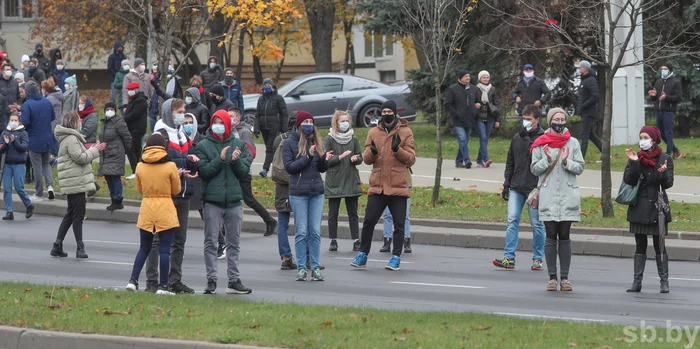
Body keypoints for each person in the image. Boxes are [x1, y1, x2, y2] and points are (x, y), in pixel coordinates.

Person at [351, 101, 415, 271]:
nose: (386, 114)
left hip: (398, 184)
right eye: (384, 111)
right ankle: (363, 254)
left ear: (395, 113)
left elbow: (411, 159)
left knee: (399, 224)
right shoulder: (373, 132)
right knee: (369, 221)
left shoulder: (405, 132)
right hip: (378, 185)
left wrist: (397, 150)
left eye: (389, 111)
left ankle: (395, 257)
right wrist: (371, 152)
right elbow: (366, 159)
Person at [145, 98, 200, 295]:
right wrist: (183, 161)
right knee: (158, 240)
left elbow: (187, 157)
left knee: (179, 240)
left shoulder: (181, 134)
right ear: (169, 112)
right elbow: (157, 160)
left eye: (184, 111)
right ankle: (153, 281)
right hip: (166, 194)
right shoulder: (160, 134)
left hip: (183, 192)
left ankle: (174, 280)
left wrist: (192, 161)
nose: (182, 116)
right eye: (179, 112)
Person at [195, 109, 252, 295]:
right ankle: (211, 279)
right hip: (213, 201)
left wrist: (235, 161)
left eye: (221, 122)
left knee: (234, 243)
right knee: (211, 242)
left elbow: (244, 172)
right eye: (215, 122)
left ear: (228, 124)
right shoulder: (203, 145)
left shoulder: (238, 144)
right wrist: (220, 160)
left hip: (234, 201)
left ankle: (234, 280)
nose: (217, 125)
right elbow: (204, 172)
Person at [530, 107, 584, 292]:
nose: (560, 123)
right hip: (549, 194)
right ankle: (552, 278)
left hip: (568, 195)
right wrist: (546, 159)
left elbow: (580, 167)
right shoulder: (540, 143)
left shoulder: (573, 143)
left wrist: (566, 162)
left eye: (562, 120)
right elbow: (534, 170)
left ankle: (566, 279)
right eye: (557, 119)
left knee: (565, 236)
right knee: (551, 235)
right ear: (550, 120)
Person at [125, 133, 180, 295]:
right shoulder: (170, 165)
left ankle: (133, 281)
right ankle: (163, 286)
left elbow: (140, 189)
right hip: (165, 209)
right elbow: (176, 189)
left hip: (147, 209)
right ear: (163, 146)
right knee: (164, 249)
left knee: (144, 248)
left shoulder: (140, 166)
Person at [492, 104, 546, 270]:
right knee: (512, 220)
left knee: (536, 224)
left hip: (533, 188)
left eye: (529, 119)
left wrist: (528, 139)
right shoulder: (517, 138)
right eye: (524, 118)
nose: (526, 122)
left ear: (537, 119)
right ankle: (509, 257)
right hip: (516, 186)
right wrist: (506, 184)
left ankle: (538, 259)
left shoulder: (543, 138)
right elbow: (510, 162)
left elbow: (543, 163)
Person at [623, 126, 673, 294]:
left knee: (660, 246)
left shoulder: (665, 158)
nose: (642, 140)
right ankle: (637, 282)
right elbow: (629, 180)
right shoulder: (636, 157)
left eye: (645, 137)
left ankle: (664, 282)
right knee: (640, 246)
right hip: (639, 207)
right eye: (641, 137)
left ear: (653, 140)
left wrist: (662, 174)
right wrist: (634, 162)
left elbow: (668, 184)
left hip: (657, 208)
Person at [50, 112, 106, 258]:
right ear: (74, 123)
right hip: (75, 182)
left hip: (73, 180)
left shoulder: (68, 138)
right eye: (79, 121)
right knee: (78, 216)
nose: (81, 123)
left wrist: (91, 150)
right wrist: (95, 150)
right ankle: (80, 248)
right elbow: (80, 158)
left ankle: (57, 245)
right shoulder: (72, 139)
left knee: (70, 214)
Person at [282, 111, 328, 281]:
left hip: (316, 192)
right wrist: (308, 156)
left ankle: (315, 268)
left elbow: (321, 168)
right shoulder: (289, 143)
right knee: (301, 231)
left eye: (311, 121)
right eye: (305, 121)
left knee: (315, 232)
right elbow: (290, 167)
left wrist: (325, 159)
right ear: (299, 124)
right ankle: (301, 268)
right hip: (299, 193)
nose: (309, 124)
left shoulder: (317, 141)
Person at [323, 110, 362, 252]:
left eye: (347, 121)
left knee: (353, 213)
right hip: (335, 181)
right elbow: (325, 161)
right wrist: (340, 157)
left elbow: (360, 157)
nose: (345, 123)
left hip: (351, 180)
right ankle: (333, 240)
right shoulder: (329, 139)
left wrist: (355, 159)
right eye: (342, 121)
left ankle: (356, 240)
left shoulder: (353, 139)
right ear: (336, 123)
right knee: (333, 213)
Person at [21, 81, 55, 202]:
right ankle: (50, 186)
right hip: (47, 138)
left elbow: (25, 123)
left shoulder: (27, 104)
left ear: (28, 91)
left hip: (34, 139)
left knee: (37, 166)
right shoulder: (47, 101)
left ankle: (39, 193)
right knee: (46, 164)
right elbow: (52, 117)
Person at [272, 113, 298, 270]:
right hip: (298, 184)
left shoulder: (279, 139)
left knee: (282, 223)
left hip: (281, 185)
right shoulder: (301, 140)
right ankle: (307, 257)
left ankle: (285, 257)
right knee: (303, 224)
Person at [97, 102, 131, 211]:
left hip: (116, 153)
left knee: (115, 176)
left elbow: (127, 137)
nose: (109, 111)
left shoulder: (119, 122)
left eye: (112, 109)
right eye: (108, 109)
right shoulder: (105, 122)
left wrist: (126, 150)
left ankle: (117, 200)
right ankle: (113, 199)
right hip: (106, 154)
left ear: (115, 110)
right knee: (108, 176)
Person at [1, 113, 34, 220]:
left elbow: (24, 148)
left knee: (19, 187)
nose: (13, 122)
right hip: (7, 164)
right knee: (7, 189)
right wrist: (5, 144)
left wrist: (14, 142)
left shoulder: (23, 133)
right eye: (12, 120)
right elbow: (1, 150)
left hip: (19, 164)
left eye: (15, 120)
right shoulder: (4, 133)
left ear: (19, 121)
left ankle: (29, 205)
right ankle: (9, 211)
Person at [444, 69, 477, 169]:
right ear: (460, 78)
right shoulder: (453, 89)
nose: (468, 78)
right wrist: (456, 113)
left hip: (469, 119)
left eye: (469, 76)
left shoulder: (472, 88)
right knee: (462, 139)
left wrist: (476, 108)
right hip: (458, 120)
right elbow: (447, 104)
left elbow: (477, 101)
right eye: (465, 76)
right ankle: (467, 160)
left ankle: (459, 161)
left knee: (464, 142)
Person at [255, 78, 288, 178]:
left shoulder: (278, 98)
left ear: (272, 86)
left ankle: (265, 169)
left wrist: (284, 129)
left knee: (269, 149)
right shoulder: (261, 99)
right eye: (265, 84)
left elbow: (284, 114)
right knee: (271, 149)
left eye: (269, 84)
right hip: (264, 128)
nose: (267, 86)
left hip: (274, 127)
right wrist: (256, 128)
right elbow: (257, 115)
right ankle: (279, 167)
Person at [648, 63, 682, 160]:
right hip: (659, 111)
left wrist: (667, 97)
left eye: (665, 69)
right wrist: (653, 95)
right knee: (660, 133)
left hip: (669, 111)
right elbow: (654, 99)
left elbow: (678, 97)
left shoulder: (675, 82)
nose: (663, 70)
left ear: (670, 70)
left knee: (668, 133)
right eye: (662, 69)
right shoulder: (658, 82)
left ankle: (668, 154)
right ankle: (675, 150)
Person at [576, 60, 602, 158]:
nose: (579, 69)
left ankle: (581, 156)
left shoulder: (590, 80)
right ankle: (604, 150)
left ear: (585, 68)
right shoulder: (584, 80)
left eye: (580, 67)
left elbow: (595, 96)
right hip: (585, 111)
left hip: (588, 112)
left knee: (584, 134)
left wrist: (583, 105)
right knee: (590, 134)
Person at [475, 70, 500, 168]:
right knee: (483, 137)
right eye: (483, 77)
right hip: (479, 117)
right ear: (480, 78)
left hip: (490, 117)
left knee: (485, 140)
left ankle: (478, 160)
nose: (485, 79)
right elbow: (472, 101)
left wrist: (497, 119)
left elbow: (496, 104)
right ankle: (486, 159)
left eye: (487, 77)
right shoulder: (476, 89)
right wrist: (474, 105)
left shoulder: (492, 89)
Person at [123, 81, 148, 180]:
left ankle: (135, 170)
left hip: (137, 129)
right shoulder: (133, 100)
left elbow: (135, 114)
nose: (130, 92)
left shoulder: (140, 100)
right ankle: (138, 171)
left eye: (132, 90)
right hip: (134, 128)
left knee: (131, 149)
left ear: (137, 89)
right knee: (136, 149)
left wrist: (124, 118)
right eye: (129, 90)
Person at [380, 177, 412, 253]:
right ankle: (387, 241)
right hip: (388, 184)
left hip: (403, 184)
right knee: (387, 215)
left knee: (404, 215)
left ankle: (406, 241)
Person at [0, 63, 20, 131]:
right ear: (3, 71)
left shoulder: (15, 82)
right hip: (3, 114)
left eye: (10, 69)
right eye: (7, 69)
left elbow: (18, 97)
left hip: (14, 113)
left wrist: (18, 106)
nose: (9, 71)